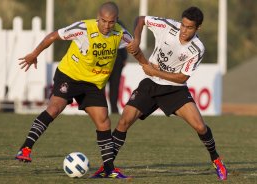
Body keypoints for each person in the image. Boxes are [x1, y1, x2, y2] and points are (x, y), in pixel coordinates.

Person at [93, 7, 228, 180]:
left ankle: (216, 159)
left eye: (189, 28)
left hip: (174, 89)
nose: (184, 30)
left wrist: (155, 71)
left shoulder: (197, 48)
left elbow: (181, 78)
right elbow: (141, 19)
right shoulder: (167, 26)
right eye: (183, 25)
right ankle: (107, 167)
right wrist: (137, 38)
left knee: (200, 126)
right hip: (150, 85)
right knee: (124, 121)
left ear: (198, 28)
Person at [15, 1, 133, 178]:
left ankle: (108, 170)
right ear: (98, 17)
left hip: (92, 83)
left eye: (111, 22)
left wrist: (147, 65)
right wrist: (34, 54)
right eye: (103, 21)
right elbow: (54, 35)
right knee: (55, 108)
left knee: (104, 121)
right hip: (69, 75)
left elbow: (134, 47)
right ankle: (25, 148)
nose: (107, 25)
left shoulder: (121, 33)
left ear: (116, 20)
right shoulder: (83, 28)